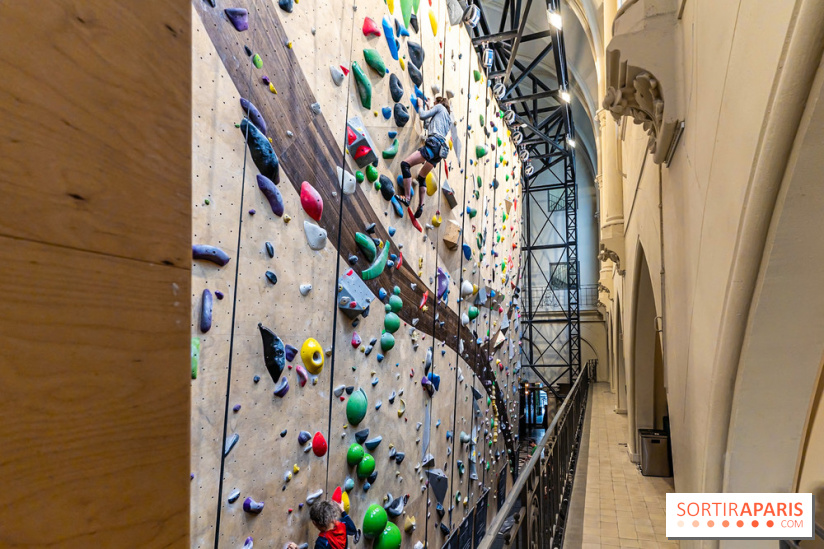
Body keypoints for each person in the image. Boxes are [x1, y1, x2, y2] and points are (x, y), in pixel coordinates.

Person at [398, 96, 452, 218]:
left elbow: (422, 116)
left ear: (439, 102)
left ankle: (407, 197)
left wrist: (421, 106)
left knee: (405, 164)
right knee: (422, 177)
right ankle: (421, 205)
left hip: (433, 144)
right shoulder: (448, 119)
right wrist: (429, 108)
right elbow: (428, 126)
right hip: (440, 151)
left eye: (434, 103)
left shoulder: (439, 107)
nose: (433, 105)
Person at [287, 500, 359, 549]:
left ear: (314, 523)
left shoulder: (322, 542)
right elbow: (353, 530)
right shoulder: (342, 524)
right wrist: (342, 509)